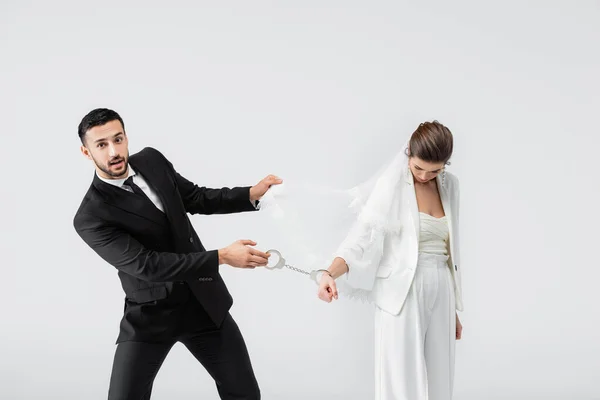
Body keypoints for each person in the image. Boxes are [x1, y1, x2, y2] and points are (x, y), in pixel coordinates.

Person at [73, 108, 281, 400]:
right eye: (102, 145)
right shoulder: (91, 216)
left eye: (118, 139)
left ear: (126, 136)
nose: (114, 151)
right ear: (86, 152)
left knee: (244, 393)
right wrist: (221, 257)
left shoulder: (151, 160)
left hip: (203, 303)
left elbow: (195, 197)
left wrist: (250, 194)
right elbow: (148, 265)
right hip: (150, 313)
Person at [317, 121, 464, 400]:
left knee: (441, 380)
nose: (424, 175)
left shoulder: (451, 186)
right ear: (408, 154)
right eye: (418, 167)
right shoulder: (392, 183)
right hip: (403, 290)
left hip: (442, 289)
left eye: (435, 170)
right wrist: (329, 272)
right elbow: (361, 237)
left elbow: (449, 249)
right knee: (399, 380)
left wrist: (453, 308)